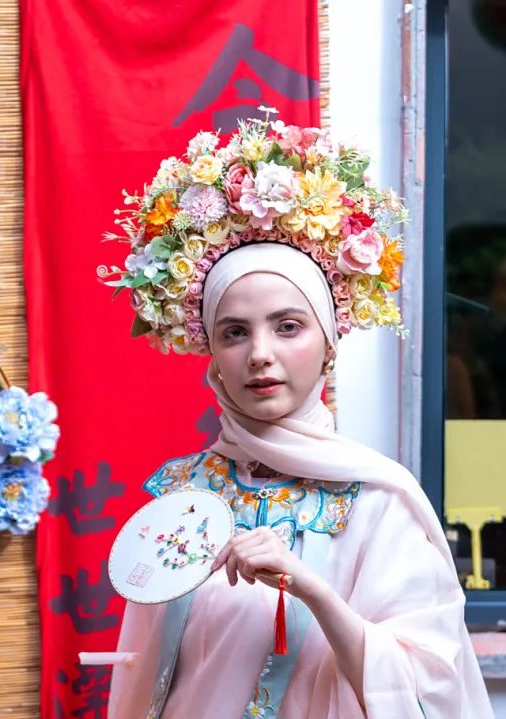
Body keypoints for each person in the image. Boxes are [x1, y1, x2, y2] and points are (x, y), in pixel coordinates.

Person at [92, 119, 493, 717]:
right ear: (213, 356)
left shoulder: (379, 502)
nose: (260, 353)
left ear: (329, 342)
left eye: (288, 326)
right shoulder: (183, 496)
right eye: (234, 332)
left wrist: (309, 589)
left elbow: (427, 685)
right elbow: (146, 679)